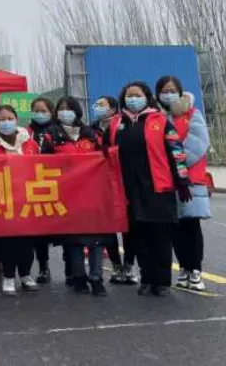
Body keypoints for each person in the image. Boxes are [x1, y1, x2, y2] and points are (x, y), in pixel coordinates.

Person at [106, 81, 191, 297]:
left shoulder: (160, 121)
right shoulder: (116, 124)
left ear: (146, 97)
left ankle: (162, 281)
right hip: (129, 190)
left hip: (158, 188)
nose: (132, 99)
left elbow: (176, 150)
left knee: (160, 237)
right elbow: (104, 154)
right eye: (129, 95)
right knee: (138, 237)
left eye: (137, 95)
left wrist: (182, 180)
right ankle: (146, 278)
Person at [155, 76, 211, 292]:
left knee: (191, 225)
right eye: (164, 90)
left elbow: (198, 143)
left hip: (189, 180)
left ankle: (196, 269)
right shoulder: (156, 118)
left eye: (172, 90)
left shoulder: (192, 114)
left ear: (180, 92)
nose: (168, 94)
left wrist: (175, 161)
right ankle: (184, 268)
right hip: (165, 180)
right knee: (175, 228)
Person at [50, 97, 107, 296]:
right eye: (61, 108)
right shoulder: (51, 135)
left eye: (69, 108)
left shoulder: (91, 134)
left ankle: (97, 278)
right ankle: (79, 276)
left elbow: (104, 158)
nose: (65, 112)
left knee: (96, 238)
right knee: (73, 239)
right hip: (66, 194)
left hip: (92, 192)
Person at [0, 105, 40, 296]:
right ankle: (8, 276)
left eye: (9, 118)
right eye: (1, 119)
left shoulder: (29, 142)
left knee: (27, 241)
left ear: (16, 119)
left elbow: (40, 165)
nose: (6, 122)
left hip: (27, 198)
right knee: (8, 241)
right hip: (4, 200)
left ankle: (25, 274)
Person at [93, 96, 137, 285]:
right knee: (108, 228)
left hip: (123, 182)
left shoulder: (125, 125)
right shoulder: (91, 129)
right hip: (102, 185)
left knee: (128, 226)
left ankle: (129, 265)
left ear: (113, 109)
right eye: (96, 105)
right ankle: (116, 265)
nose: (97, 107)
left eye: (101, 105)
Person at [26, 97, 57, 283]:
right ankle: (43, 266)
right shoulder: (26, 133)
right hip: (34, 185)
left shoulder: (58, 131)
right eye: (36, 110)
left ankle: (72, 268)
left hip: (57, 183)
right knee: (38, 231)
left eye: (43, 110)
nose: (39, 114)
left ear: (51, 112)